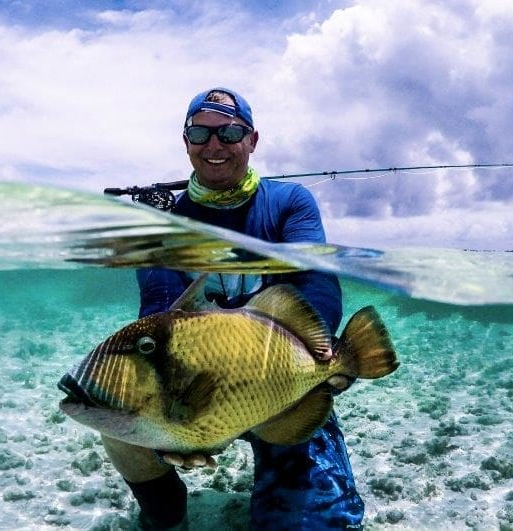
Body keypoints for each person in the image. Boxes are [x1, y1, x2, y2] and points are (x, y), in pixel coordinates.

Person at [101, 87, 364, 530]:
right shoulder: (164, 222)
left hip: (281, 384)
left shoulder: (289, 203)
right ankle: (165, 517)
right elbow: (160, 309)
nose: (214, 145)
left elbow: (316, 283)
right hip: (197, 390)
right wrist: (176, 421)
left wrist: (321, 354)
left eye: (230, 131)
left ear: (252, 139)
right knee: (119, 428)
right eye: (200, 133)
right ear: (185, 142)